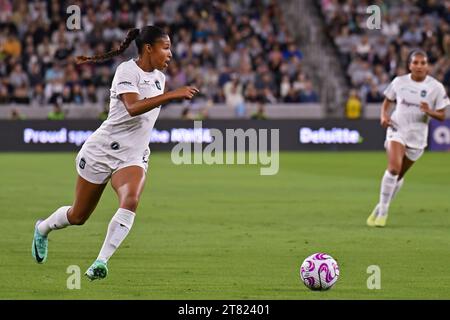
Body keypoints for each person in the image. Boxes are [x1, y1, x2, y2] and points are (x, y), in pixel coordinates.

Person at [31, 26, 199, 280]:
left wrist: (168, 94)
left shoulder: (160, 78)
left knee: (130, 199)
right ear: (148, 49)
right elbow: (132, 107)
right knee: (78, 216)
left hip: (133, 155)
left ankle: (101, 261)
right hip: (102, 151)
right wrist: (172, 96)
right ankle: (42, 229)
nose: (171, 53)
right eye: (166, 47)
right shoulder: (126, 71)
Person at [367, 50, 449, 227]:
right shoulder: (399, 82)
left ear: (427, 66)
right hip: (397, 129)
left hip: (418, 137)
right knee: (394, 168)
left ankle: (380, 205)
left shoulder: (436, 87)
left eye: (423, 63)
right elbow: (388, 101)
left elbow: (442, 115)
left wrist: (429, 112)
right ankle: (383, 212)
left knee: (398, 176)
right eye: (416, 63)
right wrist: (383, 115)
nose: (419, 66)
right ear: (409, 65)